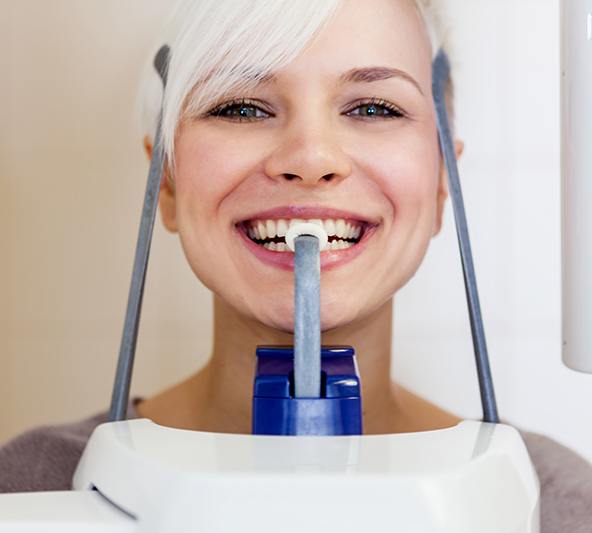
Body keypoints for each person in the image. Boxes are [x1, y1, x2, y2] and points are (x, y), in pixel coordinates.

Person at [1, 0, 591, 530]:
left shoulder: (562, 503)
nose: (310, 158)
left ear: (443, 185)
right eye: (239, 108)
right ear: (169, 185)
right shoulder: (27, 486)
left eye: (374, 107)